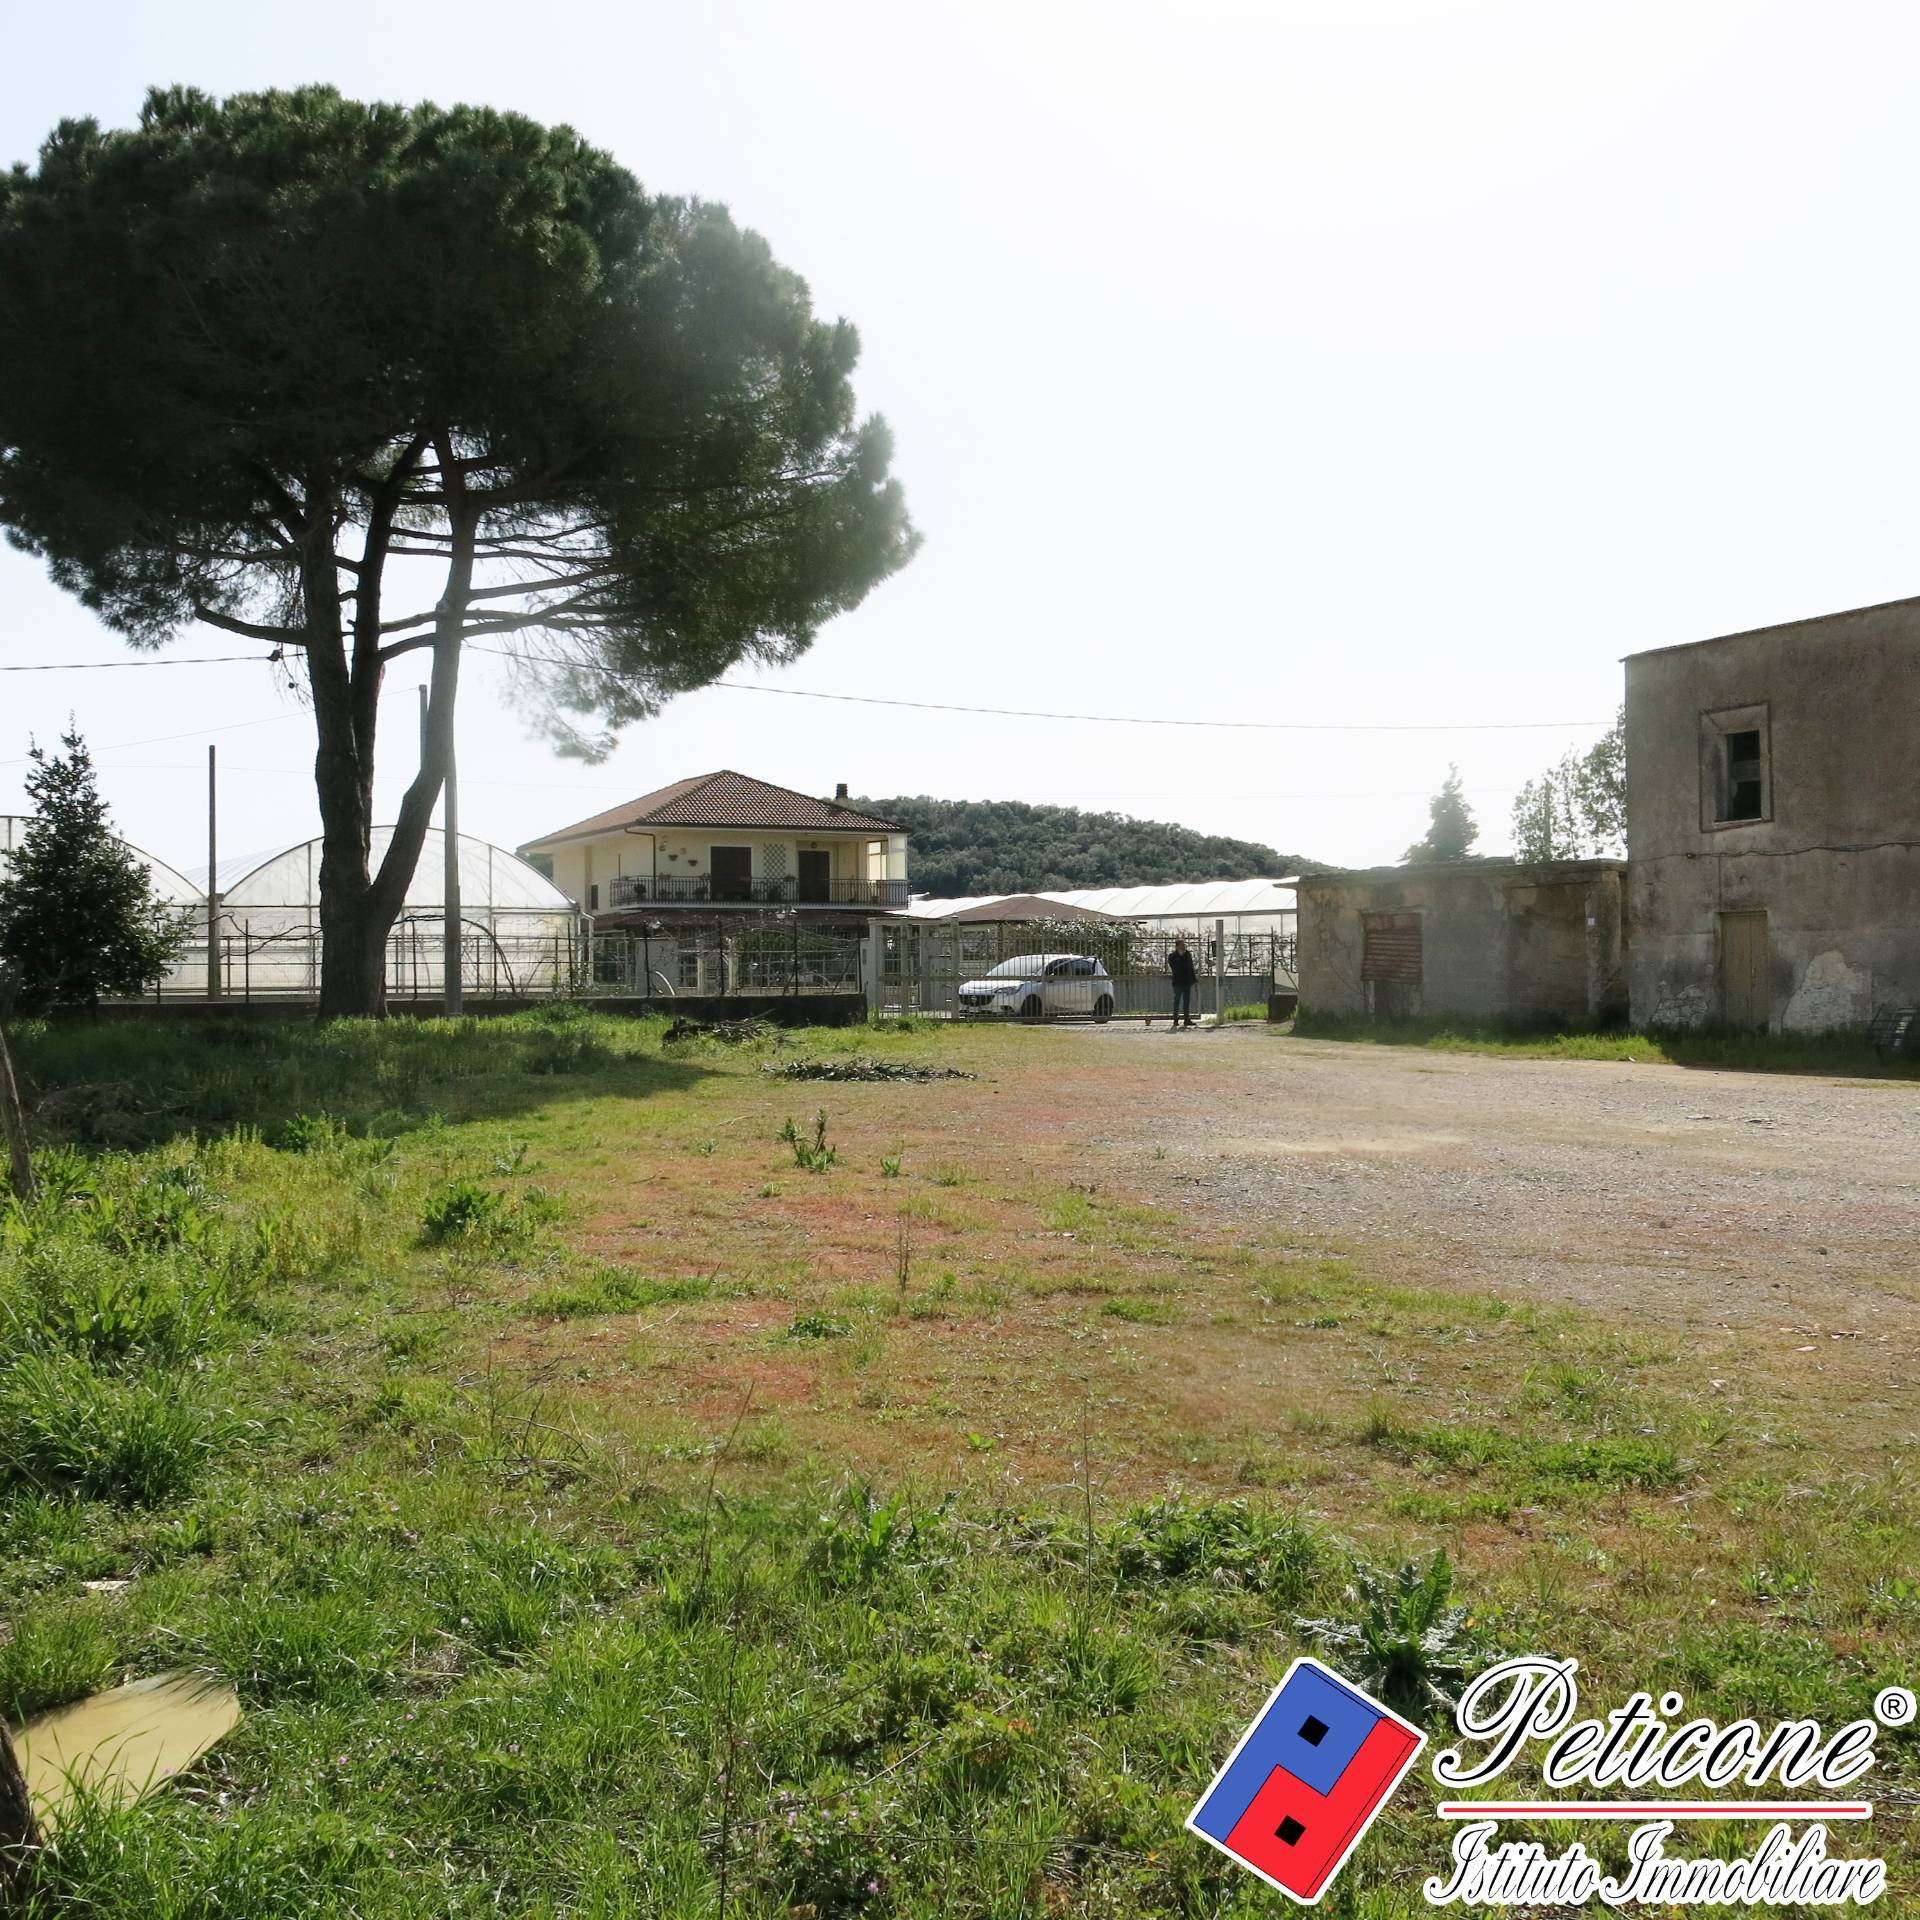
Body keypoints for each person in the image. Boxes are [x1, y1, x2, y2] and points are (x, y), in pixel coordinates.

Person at [1168, 935, 1197, 1028]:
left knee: (1186, 1001)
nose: (1184, 946)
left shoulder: (1187, 954)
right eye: (1182, 945)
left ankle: (1186, 1019)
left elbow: (1191, 967)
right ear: (1177, 946)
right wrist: (1181, 957)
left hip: (1186, 981)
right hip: (1177, 981)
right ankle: (1175, 1019)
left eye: (1184, 944)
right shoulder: (1172, 956)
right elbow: (1175, 967)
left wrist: (1193, 979)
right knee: (1177, 1000)